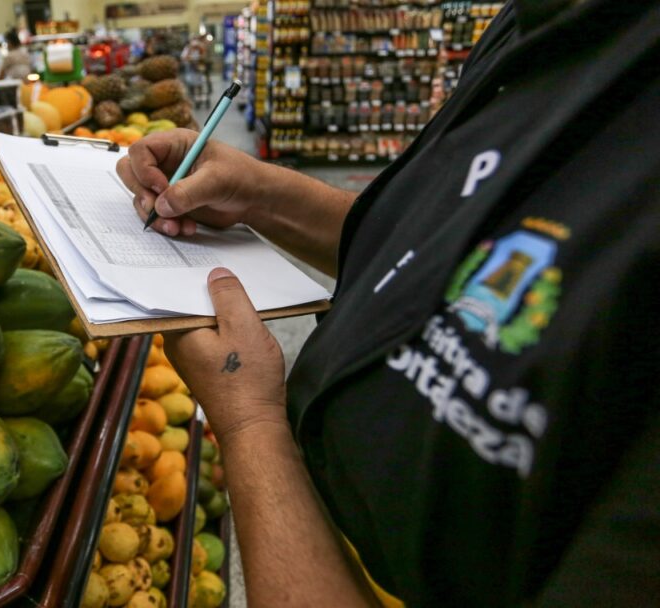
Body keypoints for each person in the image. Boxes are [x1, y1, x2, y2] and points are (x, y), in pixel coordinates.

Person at [117, 1, 659, 606]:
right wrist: (261, 195)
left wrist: (251, 426)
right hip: (320, 518)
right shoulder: (538, 24)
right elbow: (434, 252)